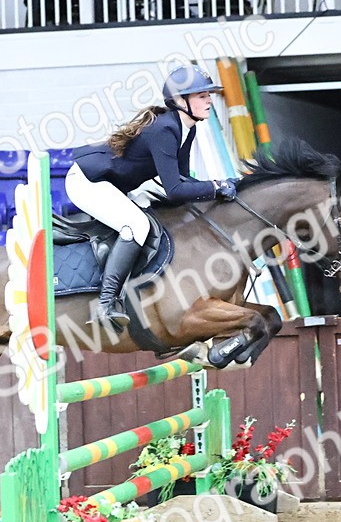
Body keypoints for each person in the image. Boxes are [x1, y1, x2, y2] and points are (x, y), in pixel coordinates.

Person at [66, 64, 241, 329]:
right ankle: (105, 303)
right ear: (181, 101)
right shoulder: (165, 130)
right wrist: (215, 186)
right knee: (136, 225)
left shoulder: (187, 128)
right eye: (202, 96)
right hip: (88, 181)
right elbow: (174, 189)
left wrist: (217, 190)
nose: (209, 100)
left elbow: (182, 179)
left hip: (113, 184)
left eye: (209, 95)